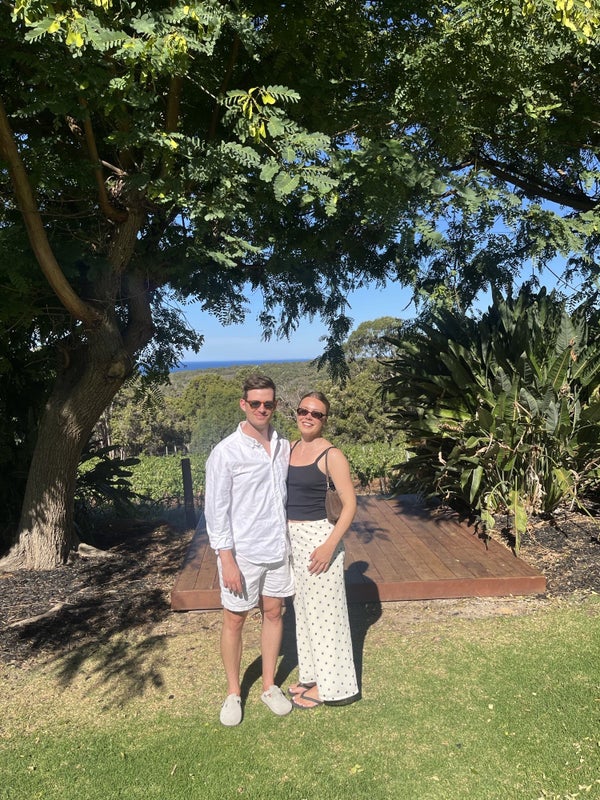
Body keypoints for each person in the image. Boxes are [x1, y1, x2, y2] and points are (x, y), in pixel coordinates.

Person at [204, 374, 294, 726]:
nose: (261, 409)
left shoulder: (283, 446)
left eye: (267, 403)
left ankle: (269, 686)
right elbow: (216, 510)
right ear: (243, 404)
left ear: (275, 405)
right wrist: (225, 558)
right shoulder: (226, 452)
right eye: (255, 403)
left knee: (274, 612)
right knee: (235, 619)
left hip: (277, 548)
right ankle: (233, 692)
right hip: (242, 554)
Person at [286, 391, 360, 709]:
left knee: (327, 617)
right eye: (304, 410)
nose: (308, 417)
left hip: (320, 538)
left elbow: (350, 504)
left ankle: (336, 687)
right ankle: (313, 677)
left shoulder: (332, 455)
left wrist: (330, 546)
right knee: (304, 613)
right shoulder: (290, 448)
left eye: (316, 414)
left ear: (325, 419)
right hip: (293, 539)